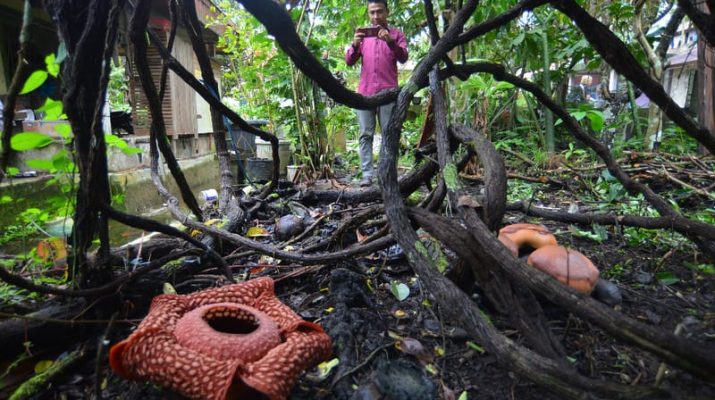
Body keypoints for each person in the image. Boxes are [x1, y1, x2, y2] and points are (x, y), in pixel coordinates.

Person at [345, 0, 408, 186]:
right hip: (365, 94)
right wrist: (355, 45)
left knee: (389, 134)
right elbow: (349, 61)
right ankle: (366, 175)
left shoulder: (396, 34)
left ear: (387, 12)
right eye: (372, 12)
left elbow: (404, 58)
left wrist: (390, 41)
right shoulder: (363, 36)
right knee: (365, 134)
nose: (375, 16)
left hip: (388, 93)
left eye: (379, 12)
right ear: (368, 14)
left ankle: (387, 174)